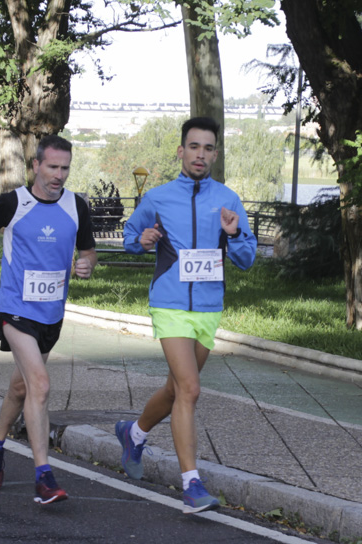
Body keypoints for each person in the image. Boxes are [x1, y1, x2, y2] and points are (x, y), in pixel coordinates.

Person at [115, 117, 256, 513]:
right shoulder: (159, 198)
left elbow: (246, 259)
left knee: (177, 389)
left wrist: (234, 234)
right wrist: (141, 241)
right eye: (194, 147)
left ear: (215, 153)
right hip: (170, 302)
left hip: (208, 308)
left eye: (208, 148)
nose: (200, 154)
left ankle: (135, 434)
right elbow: (130, 238)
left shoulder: (228, 199)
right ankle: (191, 484)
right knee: (190, 389)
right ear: (181, 151)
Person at [0, 135, 97, 505]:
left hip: (51, 315)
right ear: (36, 166)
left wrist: (88, 263)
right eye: (52, 167)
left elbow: (88, 250)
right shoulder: (14, 203)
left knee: (21, 388)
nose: (59, 175)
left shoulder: (77, 206)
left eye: (65, 168)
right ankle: (44, 476)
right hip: (15, 310)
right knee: (39, 385)